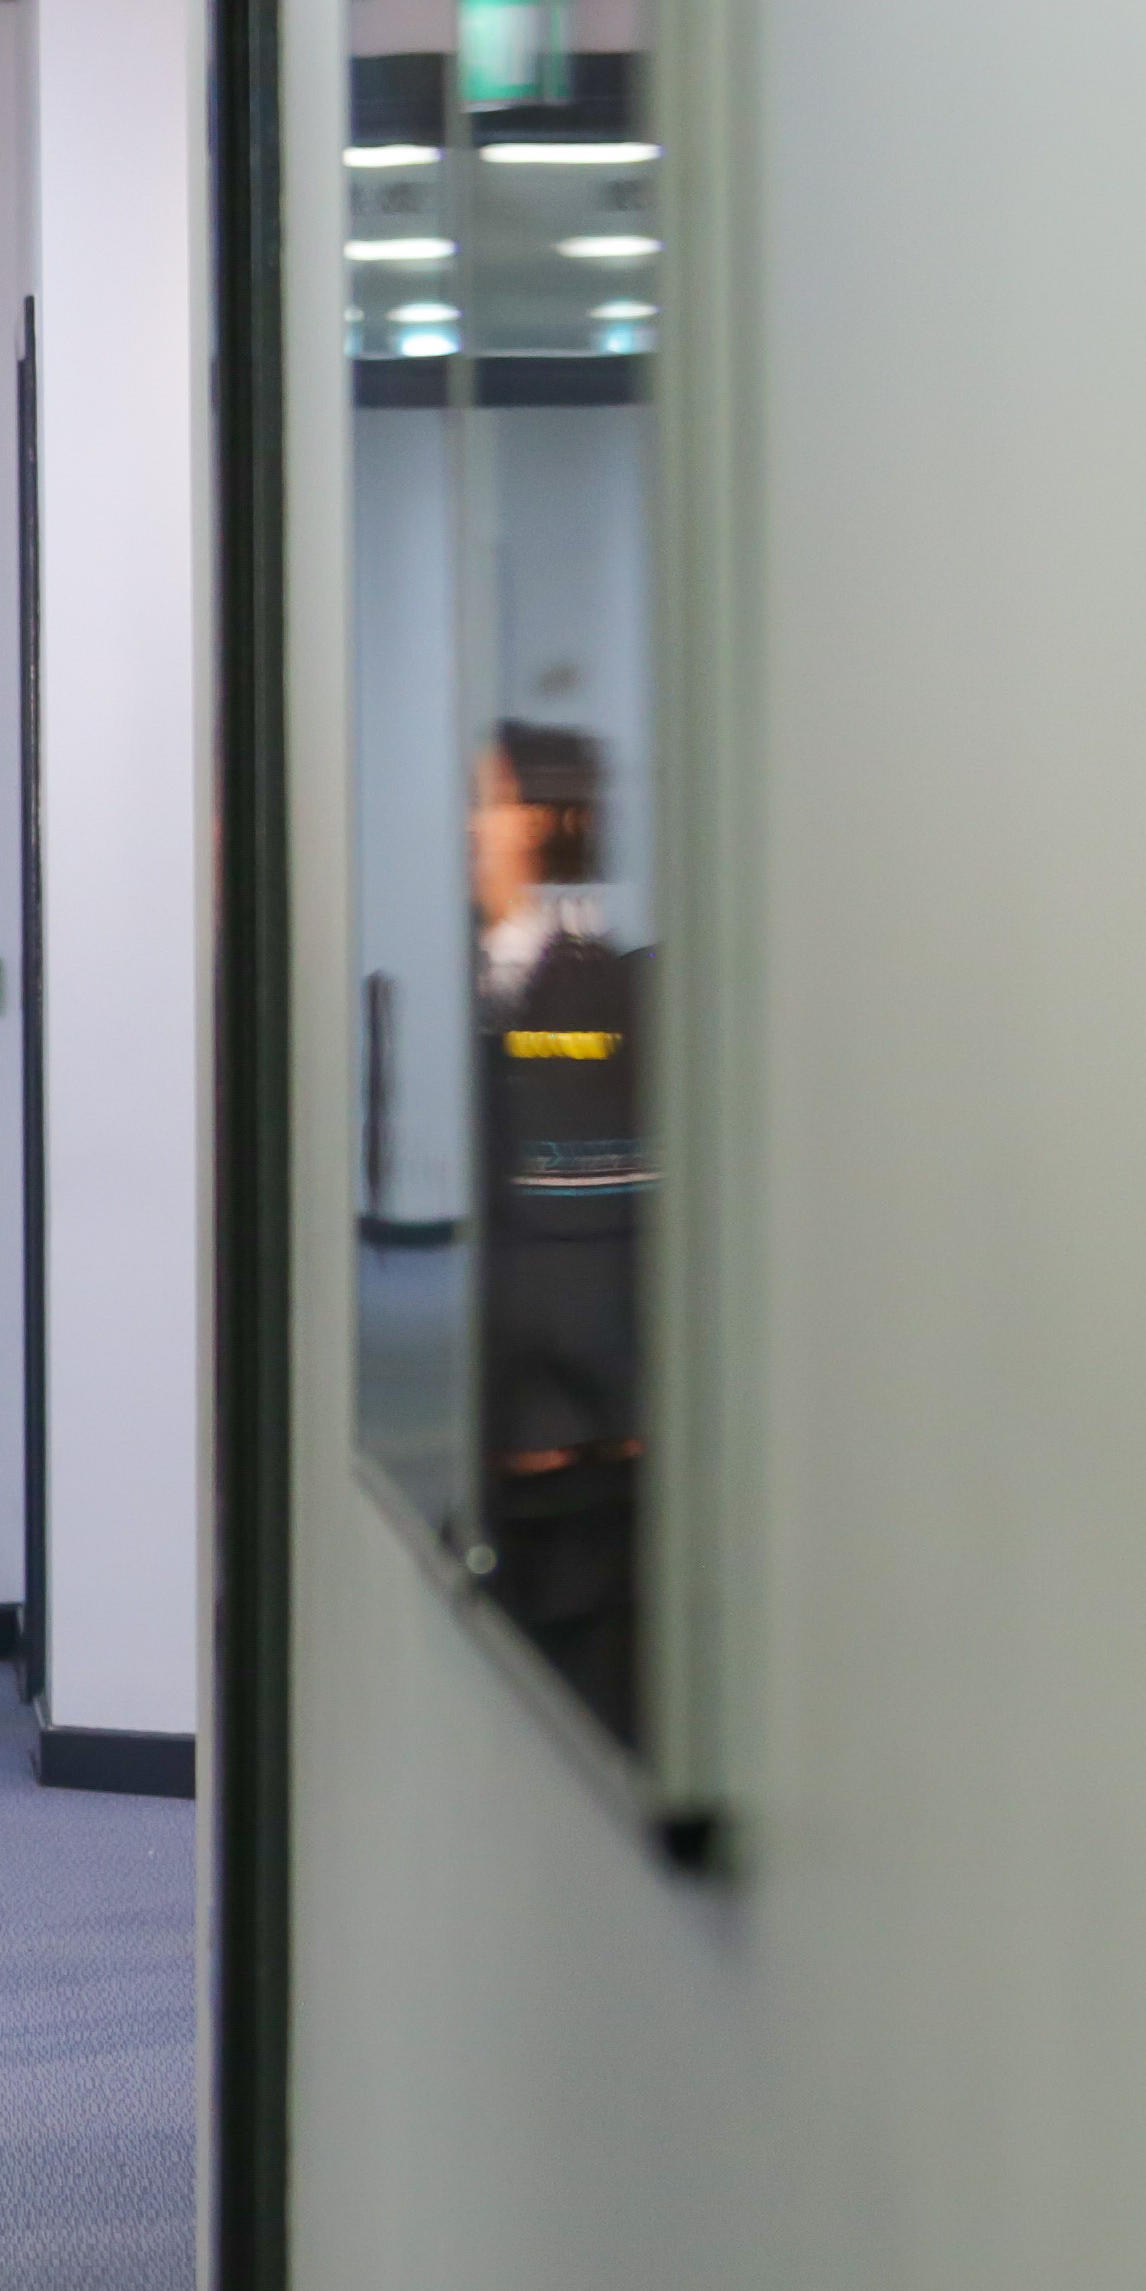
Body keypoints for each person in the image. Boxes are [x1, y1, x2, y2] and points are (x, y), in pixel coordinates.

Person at [466, 717, 645, 1736]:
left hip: (571, 1428)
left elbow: (597, 1206)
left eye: (487, 802)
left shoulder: (600, 990)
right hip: (489, 1406)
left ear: (539, 820)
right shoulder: (464, 978)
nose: (469, 825)